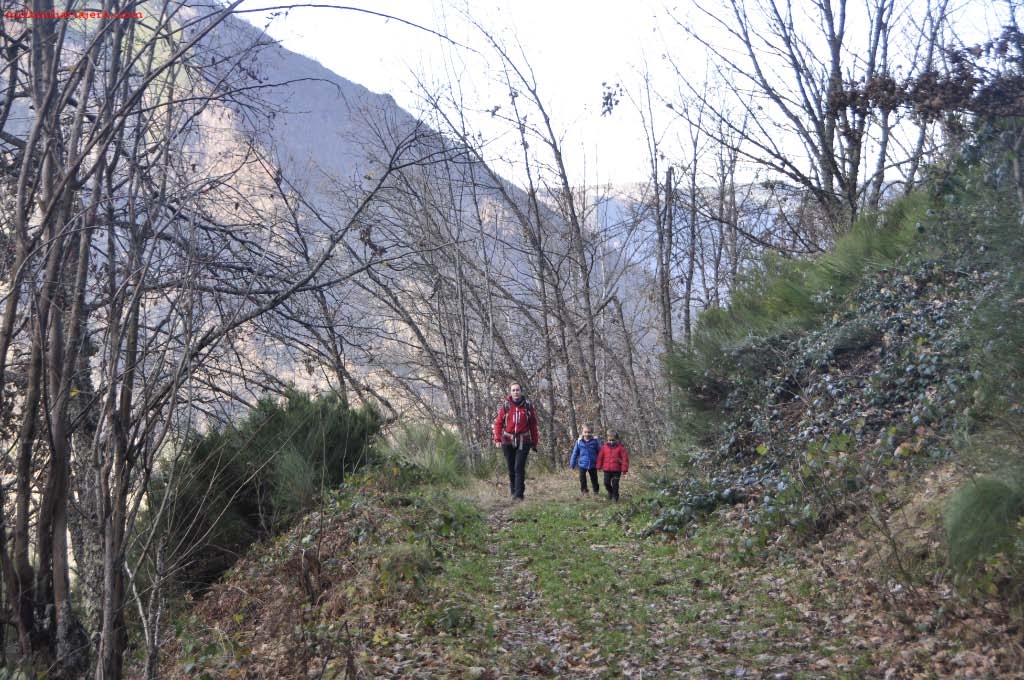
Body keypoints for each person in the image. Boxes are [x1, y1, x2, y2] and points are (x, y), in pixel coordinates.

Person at [493, 383, 539, 501]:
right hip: (507, 440)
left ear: (521, 391)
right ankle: (513, 492)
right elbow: (498, 423)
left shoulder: (528, 406)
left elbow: (533, 425)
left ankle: (519, 495)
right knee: (511, 467)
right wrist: (497, 439)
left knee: (519, 467)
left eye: (517, 390)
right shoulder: (506, 406)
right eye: (513, 390)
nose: (515, 392)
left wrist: (534, 441)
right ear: (510, 392)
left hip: (523, 440)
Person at [596, 429, 630, 502]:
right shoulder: (604, 447)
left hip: (617, 470)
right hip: (607, 469)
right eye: (610, 440)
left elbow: (625, 459)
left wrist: (624, 469)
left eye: (613, 440)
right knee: (606, 483)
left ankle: (615, 496)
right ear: (607, 439)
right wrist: (598, 466)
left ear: (616, 439)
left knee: (615, 484)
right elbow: (600, 457)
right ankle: (610, 492)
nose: (611, 442)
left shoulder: (620, 448)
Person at [568, 424, 601, 497]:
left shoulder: (595, 441)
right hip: (582, 464)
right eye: (585, 432)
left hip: (593, 464)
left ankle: (596, 491)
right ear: (582, 432)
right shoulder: (579, 442)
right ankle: (584, 491)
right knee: (582, 479)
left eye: (589, 432)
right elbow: (575, 453)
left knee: (594, 479)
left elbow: (600, 452)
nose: (587, 434)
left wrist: (600, 463)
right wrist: (572, 464)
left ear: (592, 432)